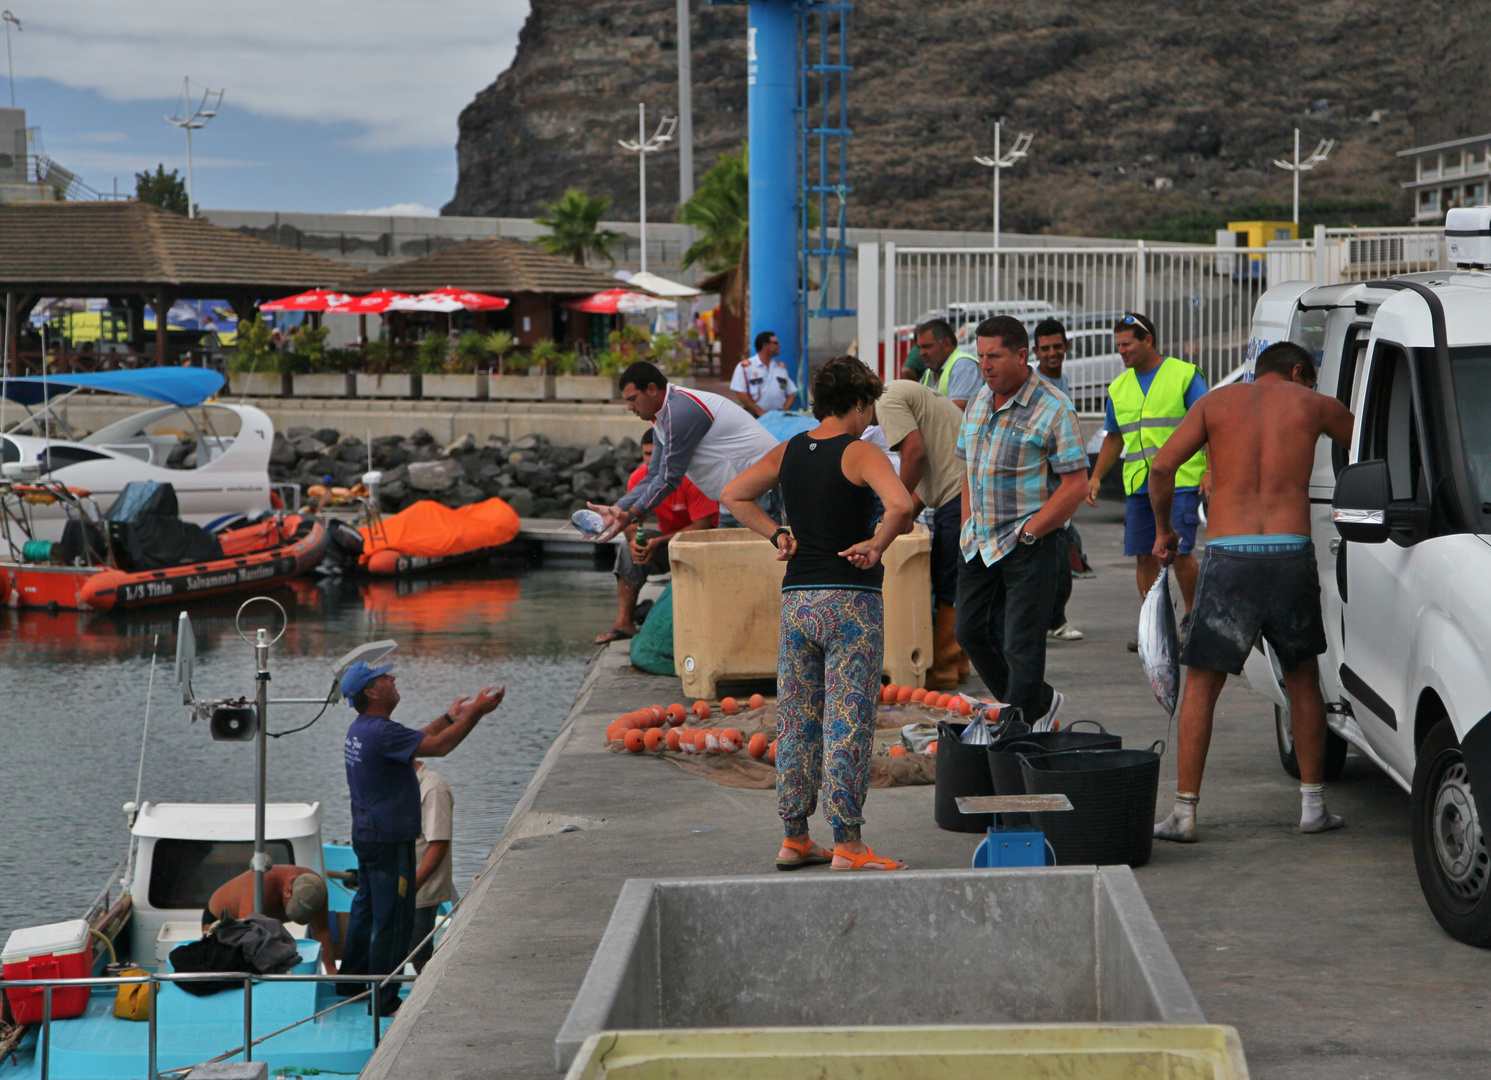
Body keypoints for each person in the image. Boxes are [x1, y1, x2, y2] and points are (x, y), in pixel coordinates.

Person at [1151, 342, 1354, 843]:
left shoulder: (1215, 403)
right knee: (1302, 678)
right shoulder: (1315, 404)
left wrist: (1165, 531)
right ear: (1300, 371)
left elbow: (1160, 468)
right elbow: (1371, 453)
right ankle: (1312, 805)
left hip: (1229, 556)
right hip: (1291, 551)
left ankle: (1184, 813)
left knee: (1202, 683)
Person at [721, 356, 916, 872]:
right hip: (851, 600)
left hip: (798, 601)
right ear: (857, 401)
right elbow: (901, 505)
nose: (873, 414)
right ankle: (848, 842)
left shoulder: (788, 451)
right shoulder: (860, 453)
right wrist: (875, 545)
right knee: (848, 718)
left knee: (797, 718)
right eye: (870, 403)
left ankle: (795, 837)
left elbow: (733, 494)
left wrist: (777, 534)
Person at [339, 661, 503, 1013]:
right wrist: (475, 714)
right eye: (385, 677)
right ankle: (382, 1000)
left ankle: (349, 983)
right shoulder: (380, 732)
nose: (393, 678)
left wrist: (450, 716)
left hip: (368, 837)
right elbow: (440, 748)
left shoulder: (363, 729)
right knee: (393, 918)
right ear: (371, 691)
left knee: (365, 909)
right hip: (390, 842)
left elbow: (418, 742)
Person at [955, 316, 1089, 730]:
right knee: (971, 631)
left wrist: (1031, 531)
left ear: (1020, 355)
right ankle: (1038, 703)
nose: (986, 365)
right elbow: (968, 472)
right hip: (979, 541)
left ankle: (1014, 731)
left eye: (994, 356)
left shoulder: (1053, 407)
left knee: (1021, 645)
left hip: (1031, 545)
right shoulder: (980, 398)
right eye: (980, 357)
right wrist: (967, 524)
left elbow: (1075, 485)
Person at [1086, 313, 1210, 643]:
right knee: (1144, 553)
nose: (1121, 351)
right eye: (1118, 346)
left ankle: (1193, 619)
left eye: (1127, 344)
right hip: (1140, 485)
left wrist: (1211, 471)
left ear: (1147, 341)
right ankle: (1155, 628)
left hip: (1180, 480)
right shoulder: (1120, 386)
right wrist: (1096, 477)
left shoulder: (1183, 375)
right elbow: (1114, 436)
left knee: (1180, 551)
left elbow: (1210, 424)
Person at [588, 361, 779, 539]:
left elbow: (668, 479)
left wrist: (630, 516)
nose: (630, 407)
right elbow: (653, 475)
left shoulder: (681, 411)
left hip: (761, 491)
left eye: (632, 399)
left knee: (765, 563)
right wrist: (616, 509)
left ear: (652, 389)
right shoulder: (662, 418)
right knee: (731, 567)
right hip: (732, 499)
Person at [873, 379, 969, 689]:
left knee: (949, 582)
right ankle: (960, 667)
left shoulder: (885, 401)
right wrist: (905, 514)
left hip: (961, 492)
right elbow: (930, 471)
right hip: (961, 486)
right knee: (955, 578)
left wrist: (896, 504)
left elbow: (915, 454)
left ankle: (943, 668)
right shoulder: (903, 391)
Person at [595, 427, 719, 643]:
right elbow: (630, 522)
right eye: (647, 454)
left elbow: (702, 526)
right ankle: (624, 622)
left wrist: (659, 541)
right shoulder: (640, 477)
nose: (652, 460)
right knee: (627, 549)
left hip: (705, 546)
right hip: (668, 542)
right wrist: (636, 541)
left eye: (657, 454)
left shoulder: (692, 477)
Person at [1030, 318, 1085, 643]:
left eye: (1057, 347)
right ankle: (1053, 619)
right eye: (1045, 348)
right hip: (1040, 485)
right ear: (1035, 351)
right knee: (1057, 553)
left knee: (1060, 551)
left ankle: (1051, 618)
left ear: (1066, 347)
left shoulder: (1061, 379)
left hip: (1060, 483)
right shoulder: (1035, 384)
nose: (1052, 353)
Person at [203, 865, 335, 973]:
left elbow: (322, 931)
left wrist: (331, 969)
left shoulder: (315, 889)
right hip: (222, 920)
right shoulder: (262, 884)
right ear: (287, 892)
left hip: (260, 924)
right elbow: (243, 935)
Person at [410, 761, 453, 972]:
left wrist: (413, 887)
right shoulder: (406, 784)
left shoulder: (433, 789)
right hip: (405, 886)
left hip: (422, 889)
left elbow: (439, 845)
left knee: (419, 955)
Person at [914, 319, 982, 409]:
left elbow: (958, 410)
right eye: (920, 347)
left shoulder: (964, 366)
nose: (922, 353)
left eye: (927, 346)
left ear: (946, 343)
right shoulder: (929, 373)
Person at [730, 331, 797, 416]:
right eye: (775, 343)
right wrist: (760, 412)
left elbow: (791, 392)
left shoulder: (780, 368)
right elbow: (740, 393)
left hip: (777, 417)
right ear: (765, 345)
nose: (779, 345)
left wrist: (784, 412)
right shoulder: (745, 367)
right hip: (754, 416)